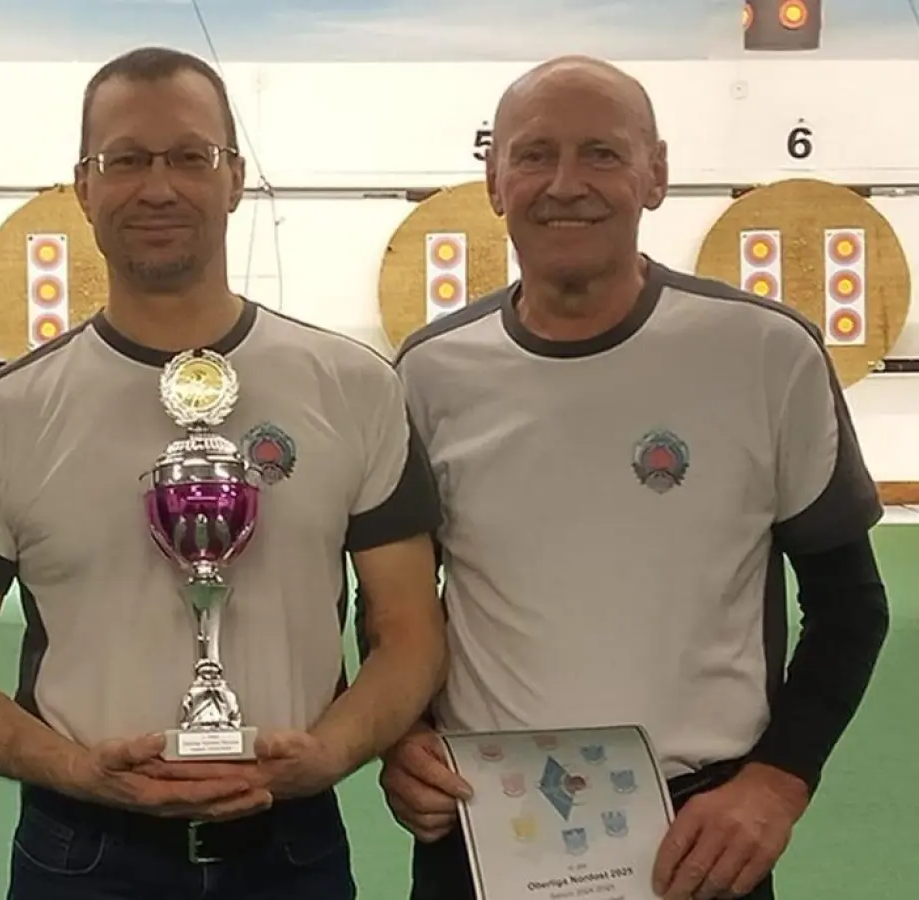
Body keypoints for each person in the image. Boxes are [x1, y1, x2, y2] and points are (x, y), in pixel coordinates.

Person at [0, 45, 447, 900]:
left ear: (234, 177)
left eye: (191, 156)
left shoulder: (355, 388)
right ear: (83, 185)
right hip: (79, 855)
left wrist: (330, 753)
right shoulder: (7, 412)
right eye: (127, 160)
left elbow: (410, 631)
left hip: (293, 852)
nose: (159, 186)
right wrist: (76, 768)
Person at [369, 55, 890, 900]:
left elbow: (849, 605)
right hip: (482, 824)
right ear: (495, 180)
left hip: (700, 838)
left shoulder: (765, 354)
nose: (565, 183)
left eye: (603, 154)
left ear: (657, 174)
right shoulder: (428, 373)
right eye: (535, 154)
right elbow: (394, 604)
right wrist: (406, 738)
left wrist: (778, 782)